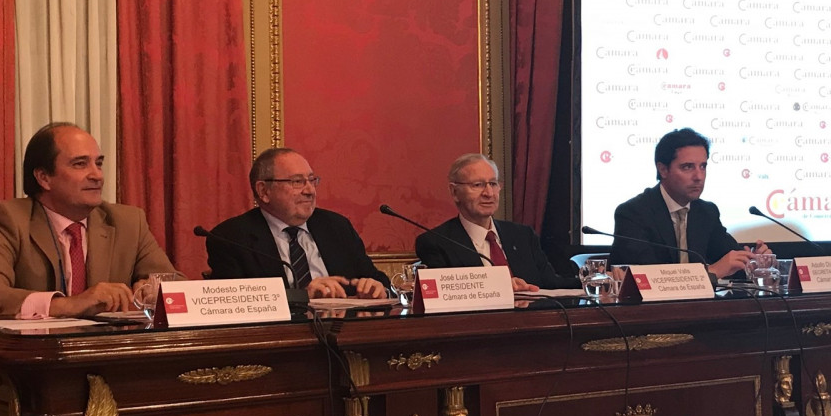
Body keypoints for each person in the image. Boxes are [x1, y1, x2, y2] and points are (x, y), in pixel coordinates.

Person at [0, 122, 178, 321]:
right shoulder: (11, 219)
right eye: (80, 164)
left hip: (109, 350)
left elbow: (177, 285)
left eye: (98, 163)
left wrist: (153, 292)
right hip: (38, 351)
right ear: (44, 178)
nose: (97, 175)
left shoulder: (128, 222)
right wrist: (68, 305)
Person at [205, 147, 390, 299]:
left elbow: (377, 280)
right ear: (263, 191)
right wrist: (302, 296)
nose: (310, 191)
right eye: (297, 182)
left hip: (345, 329)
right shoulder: (231, 239)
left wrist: (378, 288)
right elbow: (237, 301)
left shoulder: (336, 227)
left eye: (312, 180)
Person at [609, 128, 769, 279]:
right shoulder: (634, 213)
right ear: (663, 169)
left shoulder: (706, 212)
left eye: (703, 166)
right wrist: (711, 272)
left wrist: (754, 262)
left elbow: (729, 261)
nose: (699, 176)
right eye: (687, 167)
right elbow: (646, 277)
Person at [414, 153, 578, 291]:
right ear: (455, 192)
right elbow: (446, 294)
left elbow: (552, 283)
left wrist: (590, 281)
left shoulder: (522, 235)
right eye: (478, 185)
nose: (489, 193)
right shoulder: (436, 243)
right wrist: (500, 287)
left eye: (493, 184)